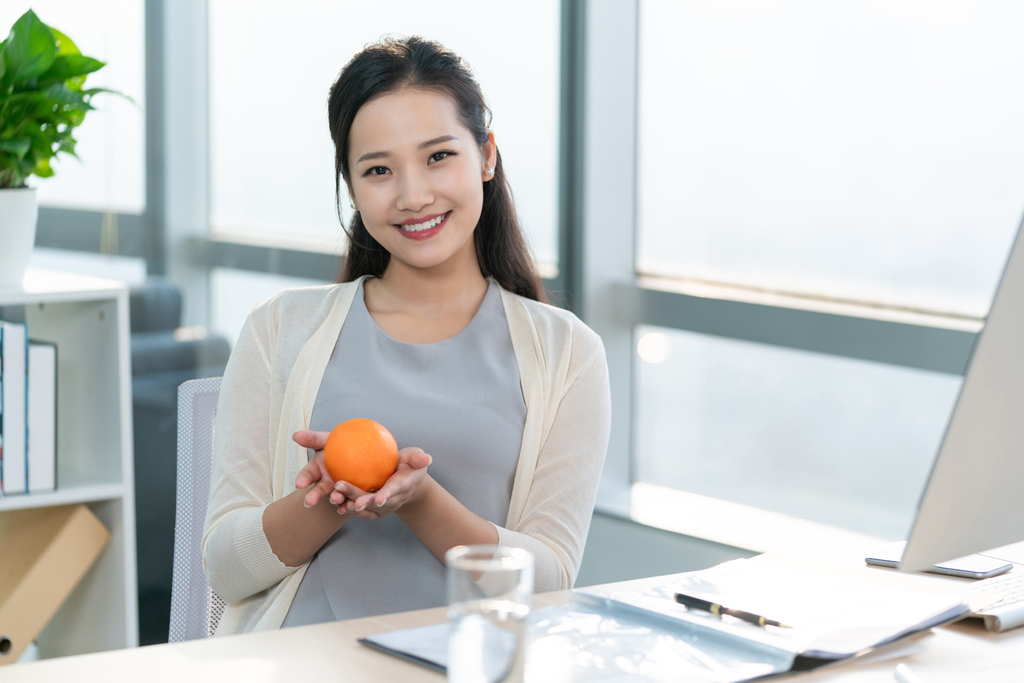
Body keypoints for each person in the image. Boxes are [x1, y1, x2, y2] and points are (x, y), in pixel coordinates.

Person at [201, 36, 611, 634]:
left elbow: (548, 583)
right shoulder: (278, 329)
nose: (413, 195)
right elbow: (225, 571)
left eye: (439, 156)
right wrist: (330, 499)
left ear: (487, 155)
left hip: (473, 667)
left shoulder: (567, 354)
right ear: (351, 185)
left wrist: (420, 501)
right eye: (378, 170)